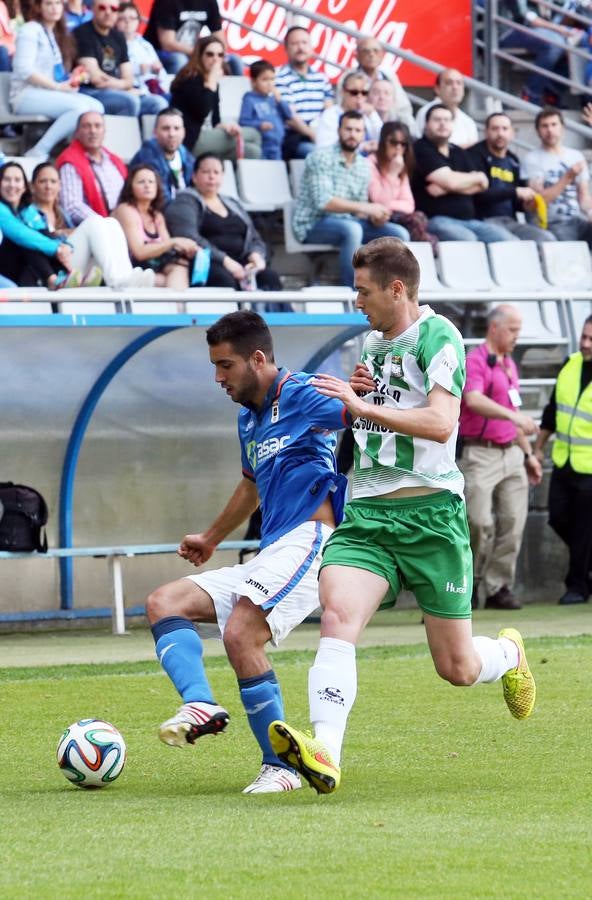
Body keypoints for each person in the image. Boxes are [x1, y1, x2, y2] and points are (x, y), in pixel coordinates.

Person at [266, 238, 537, 795]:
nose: (355, 300)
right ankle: (326, 753)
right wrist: (354, 399)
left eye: (363, 291)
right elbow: (370, 415)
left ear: (397, 289)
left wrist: (364, 405)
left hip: (431, 514)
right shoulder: (370, 341)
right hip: (366, 514)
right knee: (338, 615)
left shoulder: (440, 337)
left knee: (457, 668)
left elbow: (441, 424)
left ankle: (508, 653)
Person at [144, 309, 351, 794]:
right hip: (271, 550)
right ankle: (201, 703)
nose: (218, 378)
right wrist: (213, 537)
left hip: (309, 539)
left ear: (257, 359)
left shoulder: (301, 393)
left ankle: (279, 768)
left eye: (225, 366)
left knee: (241, 634)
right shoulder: (247, 419)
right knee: (164, 602)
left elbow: (355, 411)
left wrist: (359, 389)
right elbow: (250, 484)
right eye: (215, 367)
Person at [458, 305, 543, 610]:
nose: (516, 337)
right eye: (513, 330)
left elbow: (514, 414)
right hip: (480, 452)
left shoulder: (509, 365)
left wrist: (529, 454)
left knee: (513, 523)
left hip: (511, 453)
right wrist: (514, 417)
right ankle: (466, 585)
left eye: (519, 330)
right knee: (477, 522)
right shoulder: (476, 360)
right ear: (494, 328)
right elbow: (474, 399)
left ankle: (497, 587)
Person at [292, 110, 409, 288]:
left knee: (399, 234)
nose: (352, 134)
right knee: (352, 229)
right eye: (348, 129)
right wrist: (367, 208)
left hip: (348, 221)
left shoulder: (363, 165)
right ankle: (355, 292)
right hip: (313, 224)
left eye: (357, 130)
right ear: (339, 130)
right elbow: (324, 202)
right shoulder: (320, 157)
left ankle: (389, 292)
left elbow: (358, 210)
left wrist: (375, 218)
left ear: (363, 134)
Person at [0, 159, 153, 287]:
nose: (12, 185)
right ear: (33, 186)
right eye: (7, 179)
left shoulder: (31, 212)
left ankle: (126, 276)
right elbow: (21, 234)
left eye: (17, 180)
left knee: (111, 222)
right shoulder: (11, 211)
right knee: (94, 223)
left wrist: (63, 243)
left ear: (24, 186)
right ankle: (117, 280)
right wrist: (58, 247)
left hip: (59, 265)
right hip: (39, 274)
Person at [533, 316, 592, 605]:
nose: (585, 343)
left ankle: (577, 587)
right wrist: (538, 448)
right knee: (558, 517)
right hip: (564, 461)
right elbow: (552, 411)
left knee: (583, 528)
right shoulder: (571, 364)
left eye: (591, 339)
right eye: (584, 337)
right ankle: (586, 568)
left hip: (590, 469)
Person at [165, 152, 281, 293]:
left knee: (270, 277)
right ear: (194, 177)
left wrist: (256, 256)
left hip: (241, 262)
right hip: (206, 264)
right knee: (224, 280)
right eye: (206, 172)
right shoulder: (184, 201)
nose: (212, 176)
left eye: (216, 172)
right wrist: (225, 261)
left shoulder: (232, 203)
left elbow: (254, 237)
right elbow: (189, 237)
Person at [9, 0, 103, 159]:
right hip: (25, 95)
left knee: (96, 108)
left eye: (58, 3)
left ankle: (75, 151)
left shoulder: (52, 33)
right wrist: (57, 87)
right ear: (39, 7)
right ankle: (38, 151)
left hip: (46, 93)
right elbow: (23, 69)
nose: (54, 8)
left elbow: (55, 74)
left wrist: (71, 80)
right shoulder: (30, 30)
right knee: (80, 109)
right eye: (49, 4)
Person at [412, 104, 515, 242]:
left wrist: (447, 188)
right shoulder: (421, 148)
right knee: (468, 240)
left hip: (469, 221)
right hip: (435, 220)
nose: (442, 124)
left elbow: (483, 183)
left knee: (507, 240)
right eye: (437, 120)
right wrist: (466, 180)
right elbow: (451, 181)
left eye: (447, 120)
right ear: (426, 124)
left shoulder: (457, 151)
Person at [469, 111, 555, 242]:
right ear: (486, 132)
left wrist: (527, 203)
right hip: (483, 220)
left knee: (547, 239)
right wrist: (515, 191)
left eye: (505, 129)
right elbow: (478, 195)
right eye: (495, 128)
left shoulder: (513, 160)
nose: (500, 133)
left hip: (510, 221)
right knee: (512, 244)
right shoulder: (474, 155)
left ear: (512, 133)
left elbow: (516, 203)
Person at [171, 35, 260, 159]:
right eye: (210, 54)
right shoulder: (190, 77)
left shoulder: (212, 82)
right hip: (191, 139)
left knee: (252, 151)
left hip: (209, 138)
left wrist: (227, 127)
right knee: (254, 135)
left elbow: (215, 121)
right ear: (199, 56)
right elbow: (202, 110)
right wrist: (212, 80)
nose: (215, 59)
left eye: (220, 55)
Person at [74, 0, 167, 116]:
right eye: (102, 7)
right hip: (89, 91)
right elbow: (96, 79)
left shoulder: (118, 36)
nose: (108, 12)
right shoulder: (82, 33)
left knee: (158, 103)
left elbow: (129, 78)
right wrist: (123, 86)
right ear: (92, 9)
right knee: (129, 101)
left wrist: (122, 85)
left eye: (113, 9)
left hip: (116, 90)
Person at [113, 163, 197, 288]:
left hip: (153, 271)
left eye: (151, 182)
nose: (147, 186)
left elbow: (167, 250)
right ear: (130, 187)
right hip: (130, 270)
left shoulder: (157, 216)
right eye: (141, 182)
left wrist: (185, 248)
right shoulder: (125, 210)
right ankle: (180, 307)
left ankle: (178, 305)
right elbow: (139, 252)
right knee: (177, 273)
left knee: (179, 265)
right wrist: (174, 242)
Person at [522, 107, 592, 245]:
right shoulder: (532, 159)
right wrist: (567, 178)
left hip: (576, 219)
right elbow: (536, 203)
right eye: (545, 126)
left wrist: (590, 211)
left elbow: (583, 197)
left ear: (563, 128)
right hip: (552, 223)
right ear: (538, 131)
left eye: (554, 125)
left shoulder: (576, 156)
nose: (550, 130)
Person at [368, 120, 437, 249]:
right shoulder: (371, 164)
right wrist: (392, 175)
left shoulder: (400, 167)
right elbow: (379, 201)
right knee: (416, 227)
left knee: (419, 217)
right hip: (376, 219)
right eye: (393, 142)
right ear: (383, 142)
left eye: (403, 144)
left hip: (397, 217)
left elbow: (409, 205)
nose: (398, 148)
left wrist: (391, 204)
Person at [56, 110, 127, 224]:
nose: (93, 131)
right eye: (86, 126)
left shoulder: (114, 161)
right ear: (77, 132)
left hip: (124, 223)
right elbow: (72, 206)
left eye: (97, 126)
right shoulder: (70, 162)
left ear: (104, 131)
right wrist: (104, 224)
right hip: (95, 229)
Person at [275, 25, 333, 160]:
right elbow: (291, 118)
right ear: (286, 48)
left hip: (322, 135)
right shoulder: (279, 77)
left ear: (311, 47)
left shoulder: (322, 78)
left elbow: (329, 110)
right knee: (318, 155)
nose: (300, 48)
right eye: (295, 43)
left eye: (304, 43)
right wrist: (314, 136)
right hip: (296, 139)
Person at [144, 0, 239, 77]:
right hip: (158, 52)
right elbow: (168, 43)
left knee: (234, 60)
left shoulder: (209, 2)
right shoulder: (167, 2)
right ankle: (177, 97)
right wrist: (200, 53)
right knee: (179, 60)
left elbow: (220, 39)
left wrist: (218, 54)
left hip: (192, 51)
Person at [129, 107, 194, 204]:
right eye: (166, 128)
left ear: (183, 132)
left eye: (176, 128)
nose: (172, 134)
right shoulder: (148, 157)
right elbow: (161, 200)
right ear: (155, 132)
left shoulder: (186, 155)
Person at [355, 36, 415, 133]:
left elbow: (403, 108)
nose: (371, 54)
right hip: (362, 128)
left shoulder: (389, 76)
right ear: (357, 55)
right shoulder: (350, 78)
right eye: (366, 51)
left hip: (392, 127)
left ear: (382, 55)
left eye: (376, 51)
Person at [238, 59, 294, 161]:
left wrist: (280, 101)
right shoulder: (249, 99)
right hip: (262, 145)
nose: (269, 83)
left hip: (277, 145)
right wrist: (259, 125)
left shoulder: (274, 99)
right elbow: (243, 122)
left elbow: (289, 116)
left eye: (272, 79)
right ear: (253, 82)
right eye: (264, 79)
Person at [314, 70, 382, 154]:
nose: (359, 97)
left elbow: (383, 139)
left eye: (364, 93)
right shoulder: (331, 115)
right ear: (343, 92)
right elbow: (324, 149)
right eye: (354, 92)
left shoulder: (367, 114)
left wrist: (373, 114)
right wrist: (361, 147)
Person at [116, 2, 170, 105]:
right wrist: (140, 68)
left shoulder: (145, 45)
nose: (128, 22)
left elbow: (162, 74)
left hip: (154, 89)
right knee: (160, 103)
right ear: (115, 21)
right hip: (134, 91)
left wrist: (157, 70)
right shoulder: (113, 42)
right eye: (122, 18)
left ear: (138, 21)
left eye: (132, 18)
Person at [415, 68, 478, 149]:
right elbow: (421, 147)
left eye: (459, 83)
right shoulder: (425, 113)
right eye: (449, 83)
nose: (455, 87)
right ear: (437, 89)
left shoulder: (469, 122)